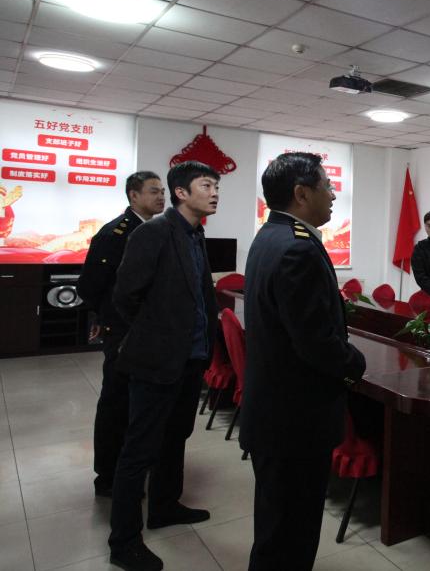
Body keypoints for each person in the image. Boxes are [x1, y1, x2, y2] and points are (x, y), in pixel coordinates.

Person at [241, 153, 367, 570]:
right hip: (294, 420)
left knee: (276, 527)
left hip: (274, 412)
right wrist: (354, 362)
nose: (333, 195)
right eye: (327, 186)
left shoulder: (271, 235)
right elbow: (315, 341)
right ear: (301, 193)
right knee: (290, 535)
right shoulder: (297, 247)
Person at [107, 161, 221, 571]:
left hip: (191, 359)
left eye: (216, 186)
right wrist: (157, 335)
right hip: (157, 360)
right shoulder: (153, 233)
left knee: (176, 436)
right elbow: (125, 296)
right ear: (181, 193)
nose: (214, 192)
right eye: (206, 185)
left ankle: (165, 505)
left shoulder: (195, 234)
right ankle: (123, 542)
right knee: (139, 450)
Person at [79, 171, 165, 498]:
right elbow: (91, 284)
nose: (161, 197)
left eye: (162, 191)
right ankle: (107, 476)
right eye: (153, 191)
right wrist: (103, 318)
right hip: (122, 330)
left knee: (135, 402)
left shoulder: (152, 230)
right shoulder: (116, 233)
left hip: (143, 330)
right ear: (134, 195)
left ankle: (131, 466)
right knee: (115, 401)